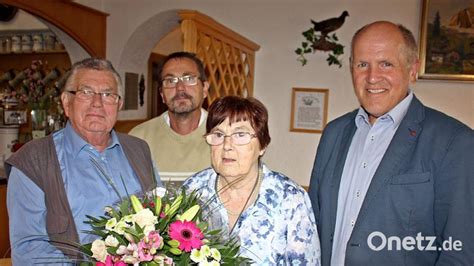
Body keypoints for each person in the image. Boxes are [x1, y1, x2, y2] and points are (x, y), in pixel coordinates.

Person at [308, 21, 474, 265]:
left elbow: (460, 253)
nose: (372, 77)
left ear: (412, 70)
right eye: (362, 65)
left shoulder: (454, 142)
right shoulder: (333, 134)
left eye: (386, 64)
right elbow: (313, 227)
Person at [6, 58, 160, 264]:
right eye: (86, 92)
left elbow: (160, 218)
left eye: (108, 94)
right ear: (66, 102)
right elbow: (29, 251)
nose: (97, 103)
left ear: (119, 105)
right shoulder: (34, 161)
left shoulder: (139, 150)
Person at [183, 96, 321, 265]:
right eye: (218, 134)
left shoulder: (291, 200)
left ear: (262, 145)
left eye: (240, 134)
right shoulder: (192, 190)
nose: (227, 145)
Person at [129, 52, 210, 174]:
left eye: (189, 79)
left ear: (204, 89)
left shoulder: (224, 135)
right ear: (162, 94)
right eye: (170, 80)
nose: (180, 88)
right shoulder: (139, 139)